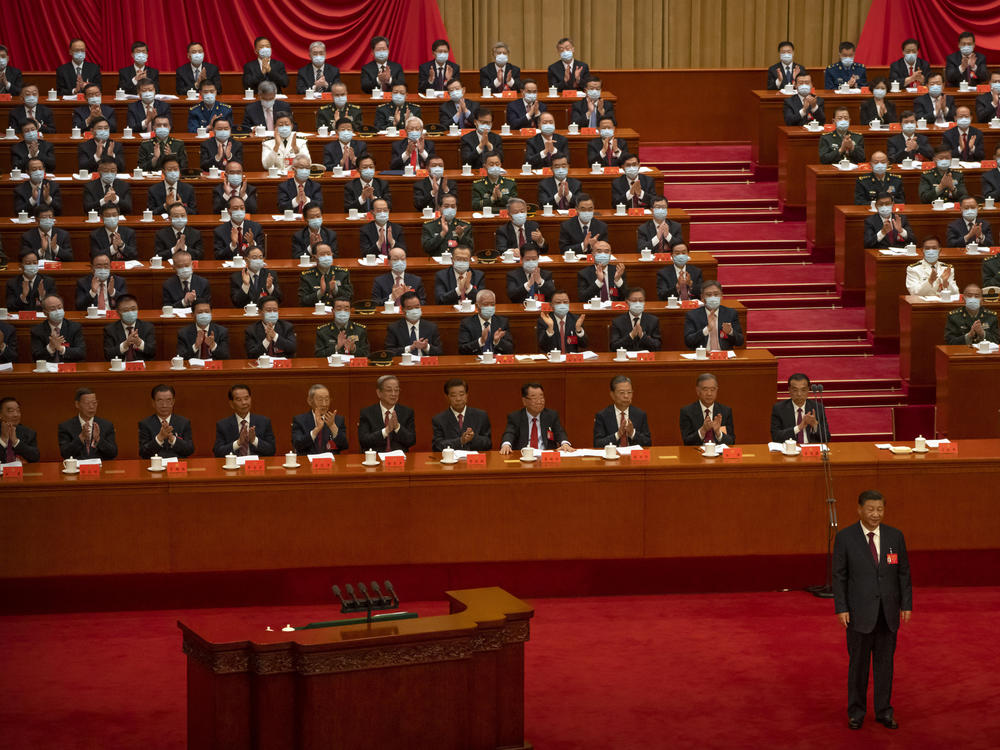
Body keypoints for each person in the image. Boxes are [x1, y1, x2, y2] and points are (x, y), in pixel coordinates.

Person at [832, 490, 912, 730]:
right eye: (871, 509)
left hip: (887, 613)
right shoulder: (845, 538)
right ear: (859, 509)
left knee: (885, 665)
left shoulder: (895, 536)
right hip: (858, 614)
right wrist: (841, 607)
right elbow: (839, 576)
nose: (876, 514)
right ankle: (856, 712)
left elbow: (903, 573)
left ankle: (884, 711)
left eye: (880, 510)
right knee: (858, 666)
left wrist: (906, 604)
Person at [499, 383, 572, 453]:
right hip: (524, 456)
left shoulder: (551, 415)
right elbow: (509, 433)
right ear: (524, 401)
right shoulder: (515, 417)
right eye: (534, 398)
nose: (539, 401)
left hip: (546, 456)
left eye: (541, 397)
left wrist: (564, 443)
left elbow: (559, 432)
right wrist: (506, 444)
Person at [213, 383, 276, 457]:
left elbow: (272, 450)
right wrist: (238, 443)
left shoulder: (264, 422)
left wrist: (254, 440)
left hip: (256, 465)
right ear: (231, 404)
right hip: (234, 466)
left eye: (246, 398)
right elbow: (217, 452)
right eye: (239, 399)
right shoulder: (223, 425)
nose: (244, 403)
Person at [357, 375, 416, 452]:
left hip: (399, 459)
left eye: (396, 390)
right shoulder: (367, 413)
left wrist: (397, 427)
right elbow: (364, 441)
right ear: (379, 393)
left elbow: (411, 441)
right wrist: (386, 431)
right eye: (389, 390)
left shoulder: (407, 412)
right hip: (376, 458)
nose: (394, 394)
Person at [432, 378, 493, 451]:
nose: (458, 399)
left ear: (467, 395)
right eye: (453, 395)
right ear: (447, 397)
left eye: (461, 394)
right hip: (450, 460)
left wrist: (473, 438)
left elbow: (488, 444)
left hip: (474, 460)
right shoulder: (439, 419)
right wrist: (460, 441)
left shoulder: (481, 415)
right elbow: (437, 446)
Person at [58, 388, 118, 460]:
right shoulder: (66, 427)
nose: (91, 407)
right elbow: (65, 454)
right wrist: (81, 438)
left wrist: (98, 440)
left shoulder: (106, 425)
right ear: (77, 404)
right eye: (87, 403)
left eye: (94, 403)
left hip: (101, 468)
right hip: (77, 469)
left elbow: (113, 453)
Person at [593, 375, 652, 448]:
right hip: (612, 456)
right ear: (612, 395)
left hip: (633, 457)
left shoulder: (640, 414)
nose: (626, 396)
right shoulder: (602, 415)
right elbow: (597, 444)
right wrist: (618, 434)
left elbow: (648, 443)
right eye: (622, 392)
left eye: (629, 392)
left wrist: (632, 433)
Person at [138, 384, 194, 459]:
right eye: (160, 401)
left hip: (178, 467)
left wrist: (172, 439)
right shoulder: (145, 424)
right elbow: (143, 453)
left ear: (173, 402)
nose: (164, 405)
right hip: (155, 467)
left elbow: (189, 450)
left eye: (168, 400)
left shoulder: (184, 422)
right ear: (153, 403)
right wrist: (159, 438)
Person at [684, 281, 744, 350]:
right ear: (702, 297)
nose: (713, 297)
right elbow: (688, 342)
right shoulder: (692, 315)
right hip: (702, 357)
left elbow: (740, 342)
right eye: (709, 295)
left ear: (721, 296)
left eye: (716, 294)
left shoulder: (731, 313)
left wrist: (730, 332)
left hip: (724, 357)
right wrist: (707, 329)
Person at [770, 372, 828, 443]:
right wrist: (798, 428)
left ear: (808, 390)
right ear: (789, 390)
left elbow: (827, 438)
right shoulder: (779, 408)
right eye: (795, 390)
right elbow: (775, 437)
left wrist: (815, 425)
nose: (799, 394)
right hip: (790, 450)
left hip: (811, 450)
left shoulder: (817, 408)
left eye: (803, 390)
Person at [291, 384, 348, 455]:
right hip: (307, 463)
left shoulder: (338, 420)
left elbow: (344, 446)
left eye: (327, 400)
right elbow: (297, 445)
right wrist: (316, 429)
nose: (324, 404)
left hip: (332, 463)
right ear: (309, 401)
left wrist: (332, 426)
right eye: (320, 400)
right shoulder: (300, 420)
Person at [679, 373, 735, 446]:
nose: (709, 393)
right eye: (705, 389)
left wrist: (718, 433)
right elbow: (687, 442)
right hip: (695, 454)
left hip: (719, 455)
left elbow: (731, 441)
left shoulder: (725, 411)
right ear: (698, 391)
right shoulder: (687, 412)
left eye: (712, 390)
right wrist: (703, 430)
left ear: (717, 390)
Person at [384, 291, 443, 357]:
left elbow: (439, 352)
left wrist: (426, 347)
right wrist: (409, 348)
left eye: (417, 307)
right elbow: (389, 351)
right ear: (403, 310)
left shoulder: (431, 327)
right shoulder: (394, 328)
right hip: (405, 365)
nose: (414, 310)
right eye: (410, 308)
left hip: (425, 365)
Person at [30, 294, 85, 362]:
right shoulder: (37, 330)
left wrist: (61, 348)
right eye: (53, 309)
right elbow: (36, 356)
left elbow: (81, 353)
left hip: (68, 369)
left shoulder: (74, 327)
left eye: (59, 308)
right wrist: (50, 347)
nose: (57, 311)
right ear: (45, 313)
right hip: (47, 370)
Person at [458, 289, 514, 355]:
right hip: (476, 363)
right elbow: (462, 350)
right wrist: (481, 341)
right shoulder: (466, 323)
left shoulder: (502, 322)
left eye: (492, 304)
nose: (489, 307)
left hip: (496, 362)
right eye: (486, 304)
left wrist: (498, 341)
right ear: (477, 306)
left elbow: (510, 349)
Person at [213, 195, 267, 263]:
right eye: (235, 208)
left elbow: (263, 252)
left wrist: (252, 243)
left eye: (242, 208)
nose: (239, 211)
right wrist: (232, 245)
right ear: (229, 211)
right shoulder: (219, 231)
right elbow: (218, 256)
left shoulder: (255, 227)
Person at [102, 294, 155, 361]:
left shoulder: (147, 327)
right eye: (125, 310)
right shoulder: (110, 330)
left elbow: (152, 352)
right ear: (118, 313)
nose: (130, 312)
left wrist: (140, 343)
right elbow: (108, 355)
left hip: (142, 368)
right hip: (120, 369)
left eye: (133, 309)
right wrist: (125, 345)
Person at [0, 397, 40, 463]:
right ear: (0, 415)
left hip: (23, 472)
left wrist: (16, 442)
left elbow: (35, 457)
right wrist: (3, 440)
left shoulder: (29, 433)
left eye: (18, 411)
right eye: (11, 411)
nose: (16, 415)